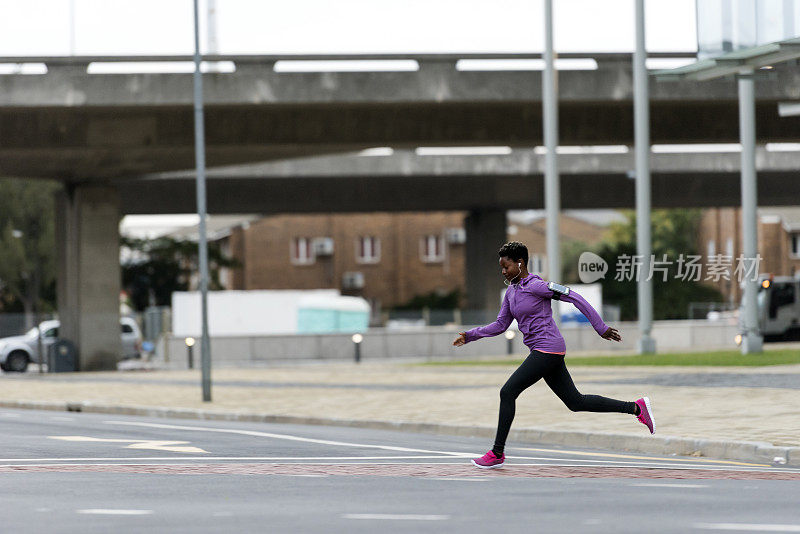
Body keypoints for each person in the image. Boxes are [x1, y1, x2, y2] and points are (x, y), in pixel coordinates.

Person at [453, 241, 655, 469]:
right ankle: (636, 407)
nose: (503, 271)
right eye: (501, 267)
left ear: (520, 263)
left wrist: (600, 327)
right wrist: (470, 335)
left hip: (547, 349)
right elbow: (500, 325)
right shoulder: (511, 293)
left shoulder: (537, 286)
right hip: (545, 351)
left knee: (507, 392)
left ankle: (497, 453)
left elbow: (575, 297)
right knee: (575, 402)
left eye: (506, 266)